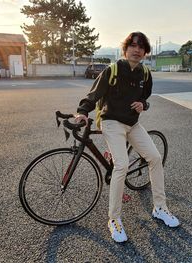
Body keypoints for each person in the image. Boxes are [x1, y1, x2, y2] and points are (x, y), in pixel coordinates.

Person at [75, 32, 179, 243]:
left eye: (141, 47)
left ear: (145, 52)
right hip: (111, 122)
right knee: (121, 165)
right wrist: (83, 112)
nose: (136, 49)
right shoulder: (112, 70)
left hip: (133, 123)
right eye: (132, 45)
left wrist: (144, 104)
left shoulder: (145, 73)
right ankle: (114, 219)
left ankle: (160, 207)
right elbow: (93, 94)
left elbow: (145, 96)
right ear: (125, 49)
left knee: (155, 158)